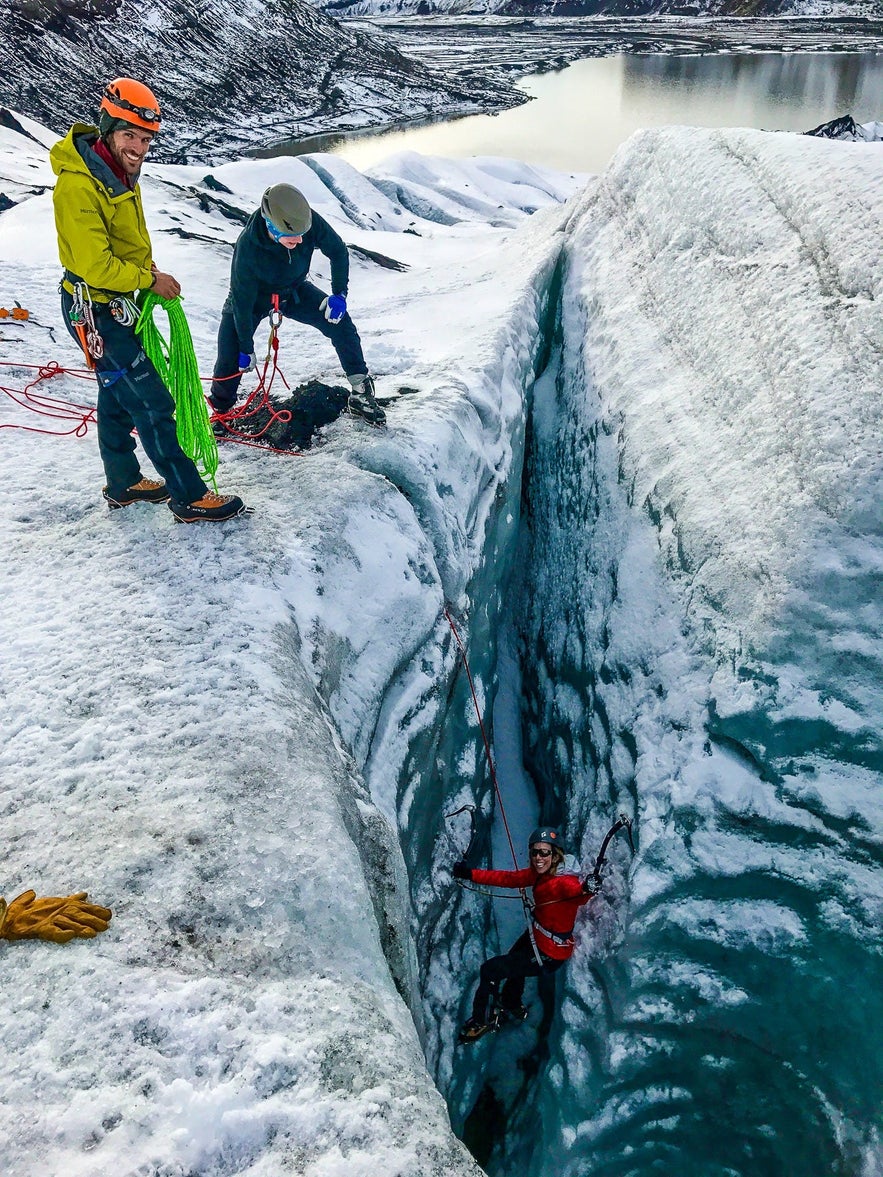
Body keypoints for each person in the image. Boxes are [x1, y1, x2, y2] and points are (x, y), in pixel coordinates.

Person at [50, 77, 246, 523]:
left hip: (114, 304)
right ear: (107, 129)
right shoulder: (79, 186)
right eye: (129, 135)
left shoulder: (117, 171)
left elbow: (123, 241)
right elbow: (96, 265)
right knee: (154, 402)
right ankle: (189, 496)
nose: (138, 146)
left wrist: (146, 272)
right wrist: (148, 280)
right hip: (96, 309)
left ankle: (124, 482)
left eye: (145, 138)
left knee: (116, 393)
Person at [209, 183, 386, 427]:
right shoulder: (249, 248)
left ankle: (360, 392)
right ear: (271, 224)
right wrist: (246, 347)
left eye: (303, 234)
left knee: (340, 323)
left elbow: (337, 251)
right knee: (229, 351)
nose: (302, 240)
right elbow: (241, 301)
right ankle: (221, 410)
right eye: (294, 236)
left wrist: (339, 295)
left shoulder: (307, 221)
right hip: (253, 298)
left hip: (293, 290)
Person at [453, 826, 596, 1044]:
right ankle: (512, 1002)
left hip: (549, 954)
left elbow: (577, 894)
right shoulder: (539, 874)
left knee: (490, 970)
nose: (539, 857)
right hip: (536, 936)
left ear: (555, 854)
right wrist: (470, 874)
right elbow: (507, 879)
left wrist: (588, 888)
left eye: (544, 852)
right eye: (535, 852)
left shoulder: (564, 883)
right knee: (513, 966)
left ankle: (481, 1021)